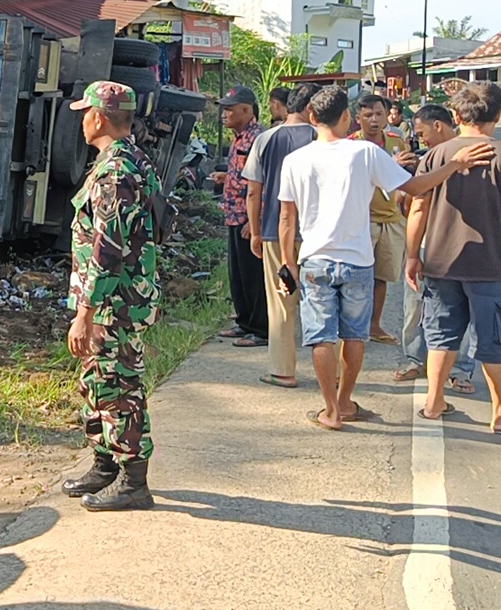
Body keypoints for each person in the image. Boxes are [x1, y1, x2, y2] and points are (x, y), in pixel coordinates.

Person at [277, 86, 494, 431]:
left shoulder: (294, 161)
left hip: (314, 260)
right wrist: (455, 164)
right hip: (359, 261)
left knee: (321, 337)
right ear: (348, 117)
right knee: (354, 336)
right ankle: (347, 401)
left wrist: (287, 262)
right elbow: (415, 187)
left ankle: (330, 410)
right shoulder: (365, 153)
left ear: (313, 118)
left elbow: (287, 218)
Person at [60, 81, 161, 512]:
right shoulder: (129, 160)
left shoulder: (117, 171)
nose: (81, 119)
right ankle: (105, 465)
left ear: (99, 117)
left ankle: (134, 481)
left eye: (85, 112)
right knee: (96, 382)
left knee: (120, 387)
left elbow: (108, 247)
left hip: (112, 302)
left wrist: (85, 311)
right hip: (114, 298)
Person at [405, 82, 501, 429]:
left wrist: (413, 254)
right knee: (493, 339)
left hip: (442, 261)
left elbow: (418, 206)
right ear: (498, 115)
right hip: (492, 265)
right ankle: (498, 410)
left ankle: (433, 402)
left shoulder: (436, 155)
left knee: (441, 335)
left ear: (456, 116)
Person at [395, 104, 478, 393]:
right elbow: (411, 202)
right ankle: (415, 359)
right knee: (416, 306)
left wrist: (413, 252)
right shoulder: (428, 158)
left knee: (458, 314)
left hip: (451, 246)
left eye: (421, 132)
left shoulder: (468, 153)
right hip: (438, 244)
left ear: (439, 125)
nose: (420, 139)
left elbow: (419, 205)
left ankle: (459, 370)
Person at [244, 82, 322, 388]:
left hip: (276, 231)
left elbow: (254, 190)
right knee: (324, 301)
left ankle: (283, 370)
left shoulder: (266, 139)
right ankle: (335, 373)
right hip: (320, 233)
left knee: (281, 302)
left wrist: (255, 229)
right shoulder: (323, 138)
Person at [352, 94, 416, 345]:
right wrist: (390, 164)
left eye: (379, 114)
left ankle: (375, 325)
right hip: (362, 220)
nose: (374, 120)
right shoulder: (350, 145)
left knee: (382, 276)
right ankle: (354, 327)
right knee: (358, 276)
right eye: (368, 115)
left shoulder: (396, 141)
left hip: (391, 218)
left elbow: (407, 179)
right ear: (357, 119)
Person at [212, 86, 269, 348]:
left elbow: (263, 183)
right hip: (233, 214)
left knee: (253, 274)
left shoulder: (259, 138)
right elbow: (243, 175)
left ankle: (260, 328)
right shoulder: (238, 137)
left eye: (229, 109)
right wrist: (226, 178)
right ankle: (244, 321)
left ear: (246, 110)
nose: (224, 114)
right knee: (237, 273)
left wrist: (252, 221)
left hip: (248, 218)